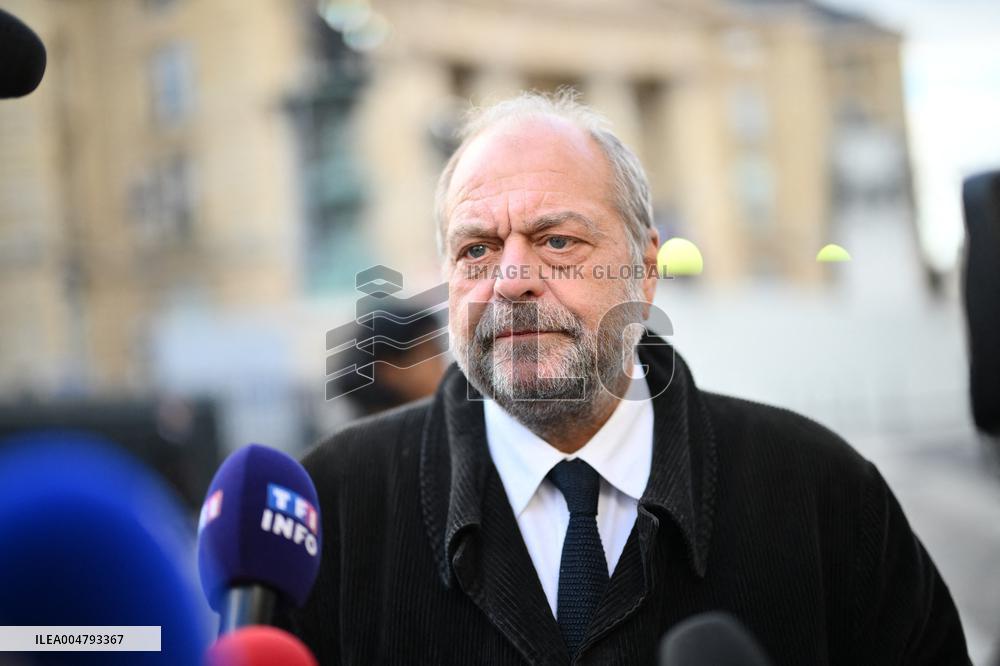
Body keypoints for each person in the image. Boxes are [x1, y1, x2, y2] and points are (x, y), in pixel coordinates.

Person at [277, 91, 971, 665]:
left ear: (644, 269)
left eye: (557, 241)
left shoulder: (822, 493)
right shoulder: (329, 507)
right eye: (476, 248)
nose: (511, 280)